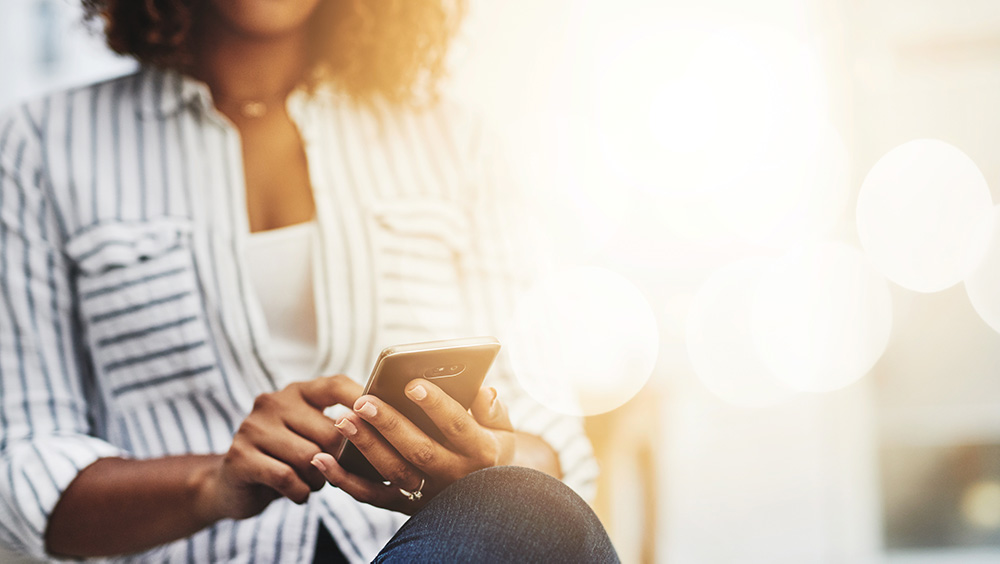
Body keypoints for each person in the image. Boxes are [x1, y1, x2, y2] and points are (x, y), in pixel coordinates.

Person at [0, 0, 619, 562]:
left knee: (531, 508)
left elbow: (555, 444)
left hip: (423, 550)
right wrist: (213, 482)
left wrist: (491, 462)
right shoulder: (44, 146)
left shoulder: (453, 140)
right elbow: (24, 474)